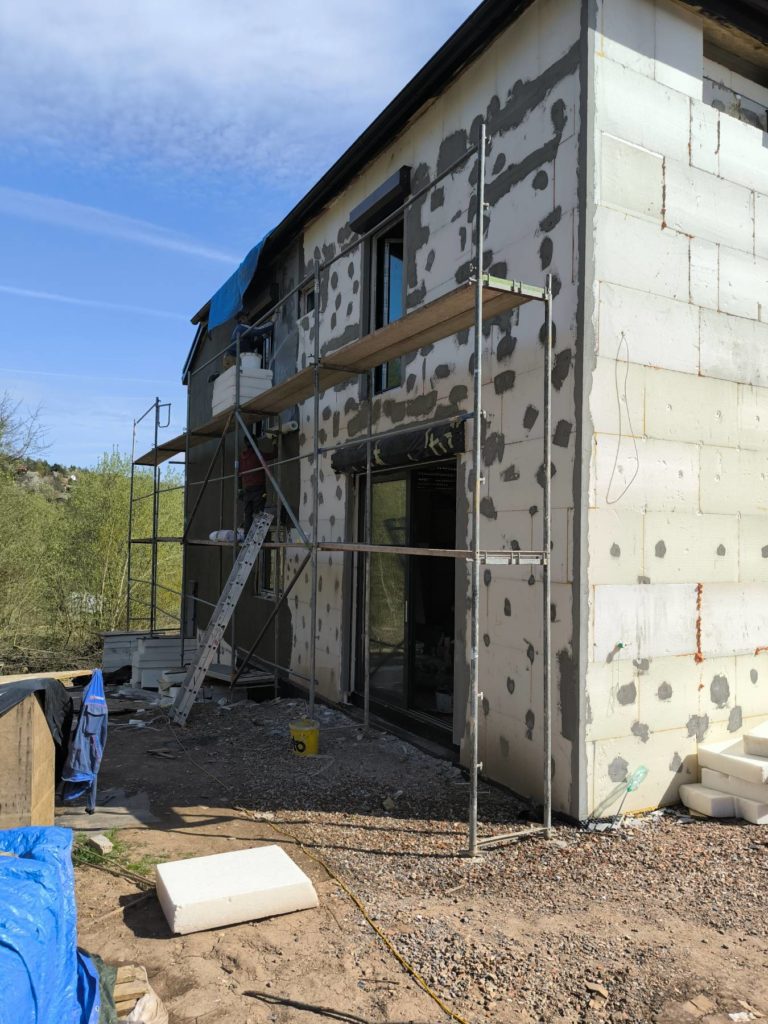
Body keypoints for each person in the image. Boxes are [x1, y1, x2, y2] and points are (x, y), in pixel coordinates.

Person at [238, 437, 274, 531]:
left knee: (248, 515)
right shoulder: (257, 454)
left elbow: (239, 474)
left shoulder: (242, 457)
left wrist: (239, 489)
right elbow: (274, 454)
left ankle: (247, 536)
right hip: (258, 489)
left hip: (247, 489)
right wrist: (275, 443)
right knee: (259, 514)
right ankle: (257, 537)